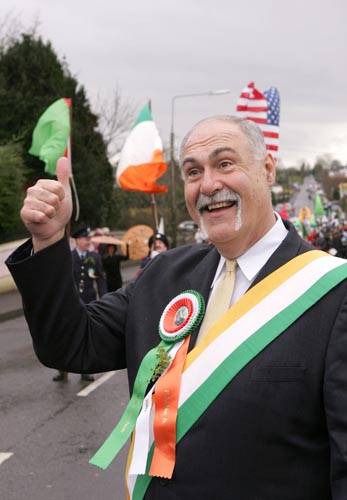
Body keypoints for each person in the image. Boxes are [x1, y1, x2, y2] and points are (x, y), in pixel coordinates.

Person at [6, 115, 347, 499]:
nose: (209, 184)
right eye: (193, 172)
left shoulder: (333, 292)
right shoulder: (164, 275)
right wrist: (50, 240)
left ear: (267, 169)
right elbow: (70, 343)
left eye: (225, 164)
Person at [52, 226, 107, 382]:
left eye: (89, 238)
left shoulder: (94, 257)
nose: (88, 241)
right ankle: (62, 370)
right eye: (85, 238)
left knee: (85, 337)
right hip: (71, 304)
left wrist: (104, 299)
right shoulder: (68, 258)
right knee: (65, 337)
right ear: (76, 240)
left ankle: (85, 370)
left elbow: (100, 279)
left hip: (90, 302)